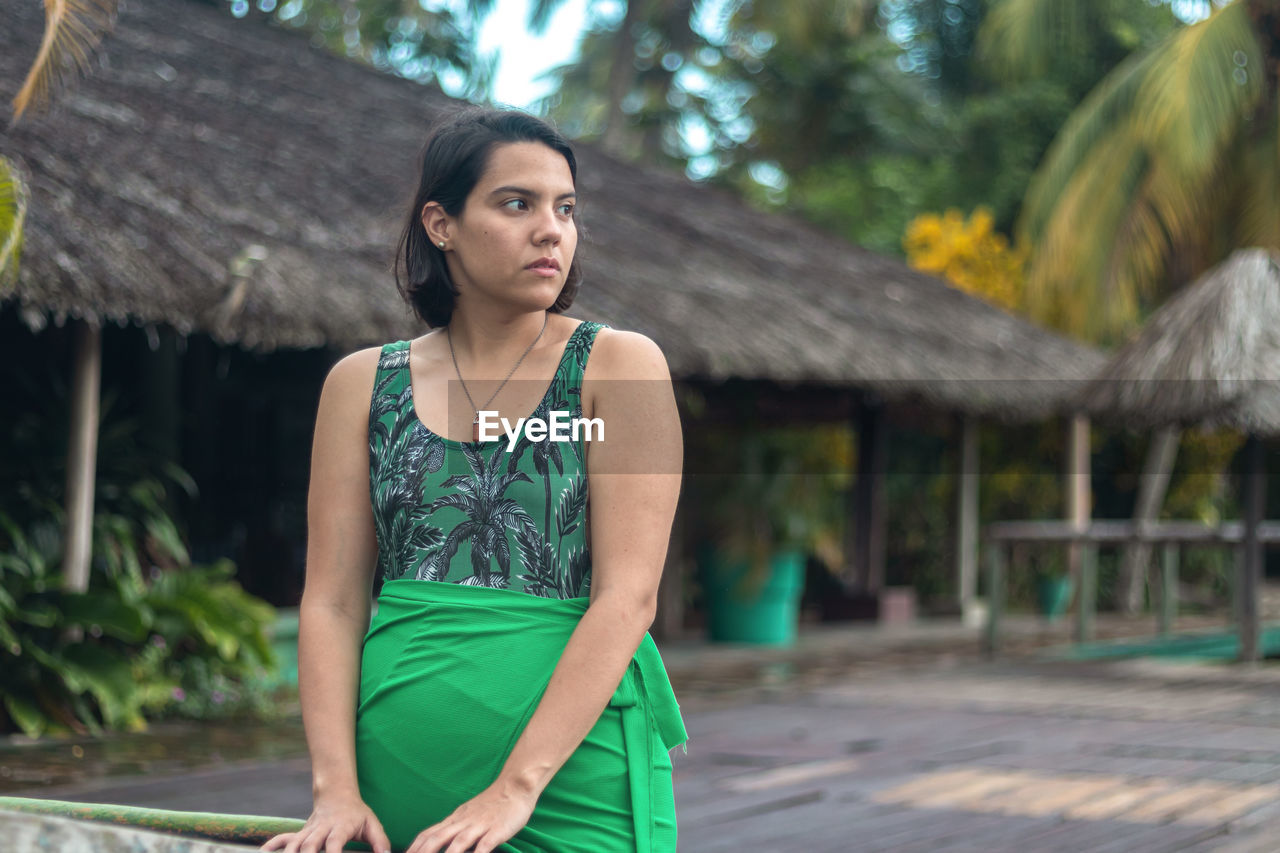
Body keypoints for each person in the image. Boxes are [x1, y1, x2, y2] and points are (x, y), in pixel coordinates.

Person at [260, 107, 687, 853]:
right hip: (392, 783)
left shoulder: (619, 367)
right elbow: (330, 600)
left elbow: (630, 596)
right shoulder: (363, 384)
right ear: (441, 223)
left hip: (567, 783)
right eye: (516, 203)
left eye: (566, 208)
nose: (550, 228)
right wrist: (336, 788)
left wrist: (513, 788)